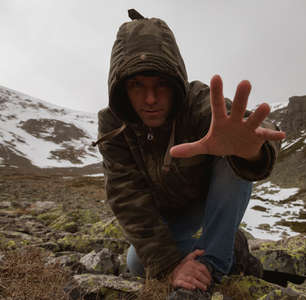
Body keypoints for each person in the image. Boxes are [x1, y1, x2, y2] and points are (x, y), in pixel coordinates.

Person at [94, 9, 285, 298]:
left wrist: (253, 153)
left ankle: (209, 272)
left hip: (210, 199)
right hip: (170, 214)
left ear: (175, 82)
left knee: (233, 155)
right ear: (121, 88)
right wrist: (171, 265)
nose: (150, 99)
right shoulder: (113, 124)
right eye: (136, 85)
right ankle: (232, 250)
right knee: (136, 262)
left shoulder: (197, 101)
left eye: (160, 85)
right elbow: (125, 194)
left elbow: (252, 126)